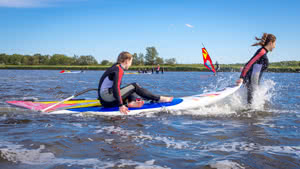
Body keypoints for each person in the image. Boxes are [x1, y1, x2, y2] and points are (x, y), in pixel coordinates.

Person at [98, 52, 173, 114]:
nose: (131, 64)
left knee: (130, 89)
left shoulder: (115, 67)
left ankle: (131, 103)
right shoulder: (118, 69)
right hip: (107, 99)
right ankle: (159, 99)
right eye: (131, 62)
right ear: (127, 60)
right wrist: (120, 105)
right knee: (134, 86)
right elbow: (115, 88)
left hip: (104, 100)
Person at [236, 33, 276, 104]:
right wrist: (242, 77)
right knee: (251, 103)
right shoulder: (262, 52)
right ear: (270, 43)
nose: (274, 46)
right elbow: (249, 63)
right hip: (252, 79)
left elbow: (255, 65)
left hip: (254, 79)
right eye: (274, 44)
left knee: (252, 102)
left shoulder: (263, 52)